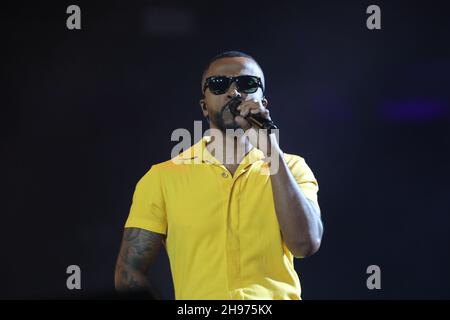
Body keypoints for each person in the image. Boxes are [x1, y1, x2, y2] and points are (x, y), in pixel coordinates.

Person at [114, 51, 323, 300]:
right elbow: (128, 273)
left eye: (247, 83)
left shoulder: (292, 168)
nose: (233, 92)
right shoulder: (162, 178)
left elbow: (305, 244)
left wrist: (271, 153)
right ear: (204, 105)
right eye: (218, 84)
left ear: (263, 103)